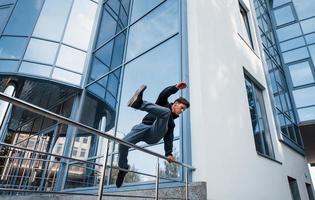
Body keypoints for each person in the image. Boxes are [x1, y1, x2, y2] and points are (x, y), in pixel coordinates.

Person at [116, 82, 190, 188]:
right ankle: (123, 169)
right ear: (175, 104)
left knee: (166, 113)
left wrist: (168, 153)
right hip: (142, 127)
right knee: (123, 144)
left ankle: (139, 104)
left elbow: (169, 138)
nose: (182, 111)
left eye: (184, 110)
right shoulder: (162, 103)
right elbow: (163, 94)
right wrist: (175, 87)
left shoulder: (171, 124)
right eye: (182, 108)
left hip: (153, 134)